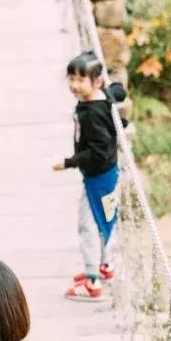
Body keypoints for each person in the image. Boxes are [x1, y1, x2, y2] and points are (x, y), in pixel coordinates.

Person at [53, 51, 127, 303]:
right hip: (108, 172)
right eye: (71, 79)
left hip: (97, 176)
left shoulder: (92, 113)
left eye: (80, 80)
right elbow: (119, 91)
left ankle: (92, 281)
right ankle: (105, 264)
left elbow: (98, 150)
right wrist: (110, 89)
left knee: (88, 224)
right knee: (105, 217)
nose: (74, 85)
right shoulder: (102, 96)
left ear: (95, 82)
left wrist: (69, 162)